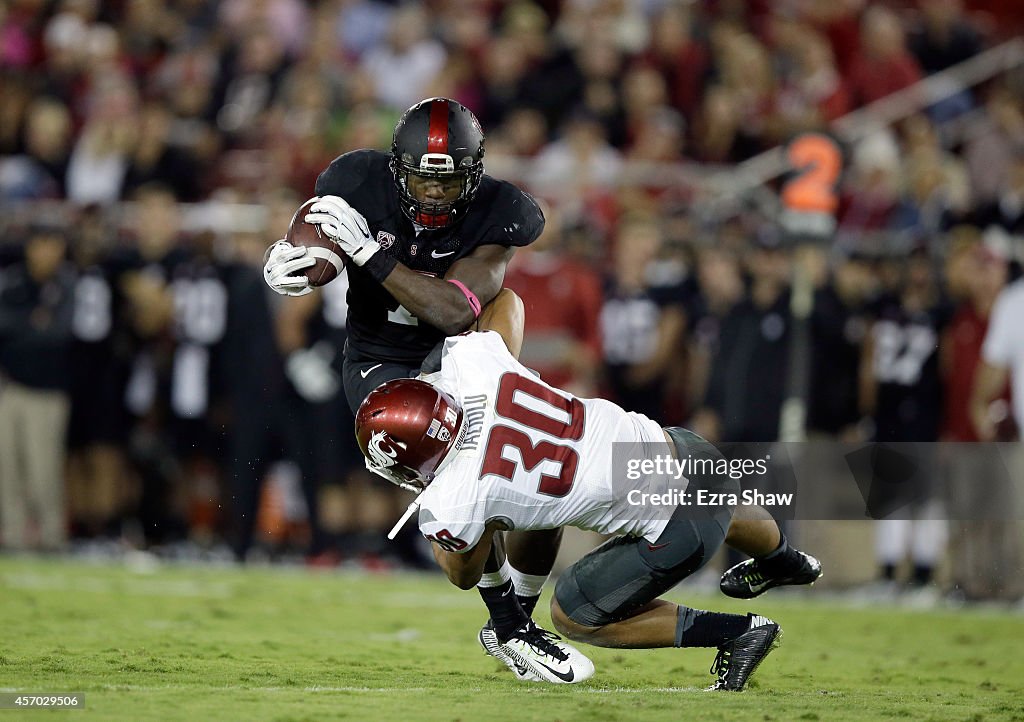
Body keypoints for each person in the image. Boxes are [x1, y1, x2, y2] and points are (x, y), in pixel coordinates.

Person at [261, 97, 571, 679]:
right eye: (421, 179)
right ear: (396, 169)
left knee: (538, 487)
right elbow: (318, 232)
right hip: (385, 369)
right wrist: (300, 260)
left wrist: (370, 256)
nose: (433, 194)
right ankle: (509, 623)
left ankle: (514, 622)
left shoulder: (501, 213)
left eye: (448, 179)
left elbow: (456, 312)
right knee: (458, 555)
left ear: (473, 175)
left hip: (462, 350)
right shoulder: (358, 177)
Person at [353, 326, 822, 689]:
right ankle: (785, 560)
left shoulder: (459, 495)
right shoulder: (477, 367)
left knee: (574, 614)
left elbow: (463, 574)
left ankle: (738, 631)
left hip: (680, 526)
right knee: (714, 498)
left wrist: (447, 510)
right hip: (682, 448)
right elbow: (508, 303)